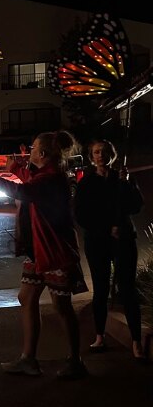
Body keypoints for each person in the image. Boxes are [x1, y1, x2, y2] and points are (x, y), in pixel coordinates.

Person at [0, 130, 88, 379]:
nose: (28, 151)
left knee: (61, 306)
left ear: (42, 154)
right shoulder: (46, 175)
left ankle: (75, 361)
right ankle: (28, 359)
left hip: (54, 251)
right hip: (38, 250)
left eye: (32, 148)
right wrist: (16, 168)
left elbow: (22, 191)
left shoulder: (50, 180)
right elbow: (30, 180)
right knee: (27, 297)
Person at [74, 140, 146, 361]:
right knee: (101, 288)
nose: (101, 155)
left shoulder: (122, 178)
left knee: (128, 289)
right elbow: (81, 215)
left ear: (112, 155)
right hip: (98, 241)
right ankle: (99, 336)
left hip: (123, 240)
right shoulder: (86, 183)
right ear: (91, 156)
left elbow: (136, 206)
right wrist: (106, 228)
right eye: (96, 152)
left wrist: (128, 184)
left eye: (105, 152)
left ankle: (136, 341)